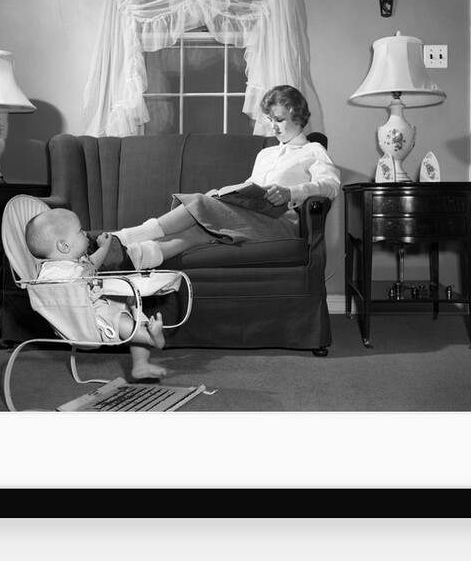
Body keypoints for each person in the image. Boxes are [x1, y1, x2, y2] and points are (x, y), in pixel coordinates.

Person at [115, 84, 340, 269]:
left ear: (296, 114)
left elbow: (331, 185)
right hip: (252, 216)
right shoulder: (266, 153)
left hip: (281, 223)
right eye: (270, 120)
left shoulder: (313, 151)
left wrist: (291, 192)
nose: (273, 126)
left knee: (199, 202)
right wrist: (224, 195)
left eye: (279, 120)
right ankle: (135, 257)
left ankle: (126, 236)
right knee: (200, 229)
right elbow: (253, 188)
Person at [25, 207, 167, 380]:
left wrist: (105, 247)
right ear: (64, 245)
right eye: (80, 231)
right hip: (88, 317)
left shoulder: (72, 261)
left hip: (98, 303)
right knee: (120, 319)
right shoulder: (52, 273)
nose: (85, 233)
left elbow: (91, 265)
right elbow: (52, 295)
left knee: (132, 305)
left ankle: (141, 364)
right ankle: (151, 338)